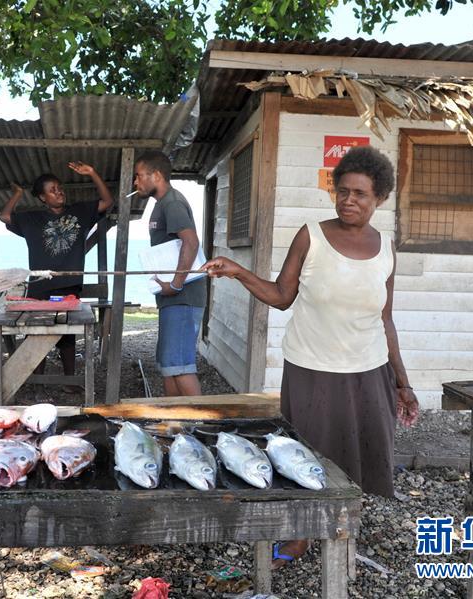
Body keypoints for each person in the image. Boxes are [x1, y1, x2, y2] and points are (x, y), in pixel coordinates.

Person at [202, 146, 420, 568]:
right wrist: (239, 271)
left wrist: (402, 383)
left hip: (369, 369)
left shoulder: (386, 249)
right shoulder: (312, 236)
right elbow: (281, 296)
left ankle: (342, 527)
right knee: (306, 452)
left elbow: (386, 318)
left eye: (360, 194)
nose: (349, 200)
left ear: (379, 198)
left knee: (360, 452)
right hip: (312, 368)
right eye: (343, 191)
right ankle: (300, 534)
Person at [0, 161, 114, 389]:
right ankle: (38, 383)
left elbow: (108, 202)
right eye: (52, 190)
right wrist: (18, 194)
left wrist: (92, 172)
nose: (59, 192)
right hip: (40, 287)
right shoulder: (32, 219)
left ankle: (69, 381)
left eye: (60, 188)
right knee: (36, 334)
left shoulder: (80, 212)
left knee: (67, 336)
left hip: (68, 287)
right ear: (42, 197)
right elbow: (5, 216)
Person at [133, 150, 205, 397]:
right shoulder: (162, 204)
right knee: (168, 366)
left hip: (182, 298)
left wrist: (175, 285)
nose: (136, 182)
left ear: (156, 175)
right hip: (171, 298)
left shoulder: (173, 202)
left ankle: (204, 421)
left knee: (180, 367)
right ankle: (173, 419)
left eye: (139, 175)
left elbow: (191, 242)